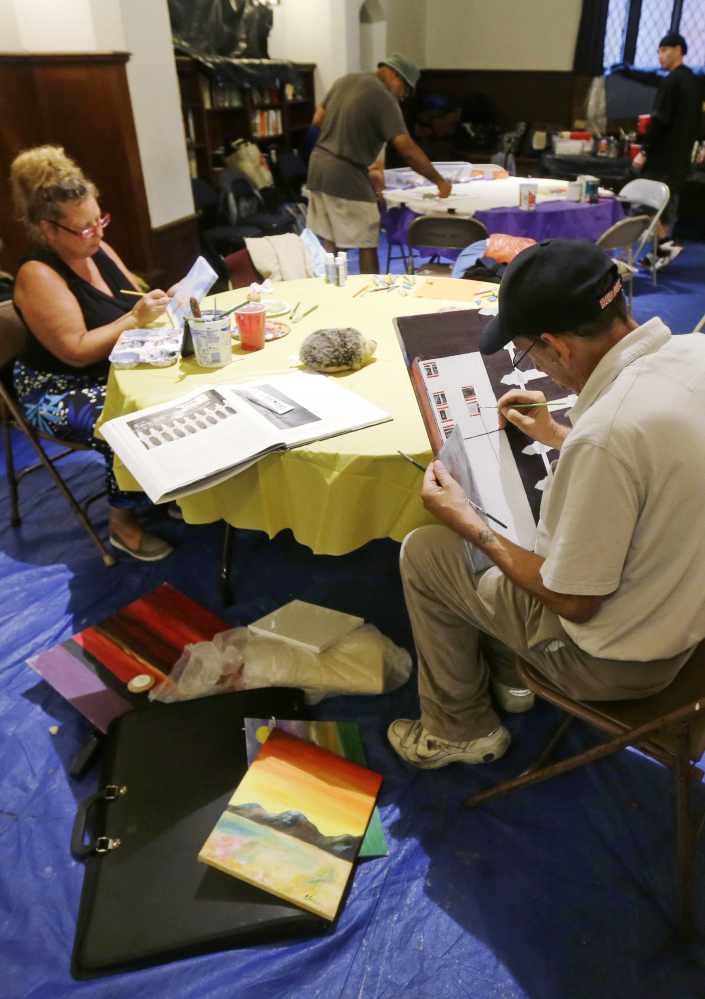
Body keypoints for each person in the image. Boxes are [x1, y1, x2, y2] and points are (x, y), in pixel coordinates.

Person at [388, 238, 705, 768]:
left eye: (528, 351)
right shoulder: (696, 354)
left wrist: (467, 521)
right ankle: (511, 680)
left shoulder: (606, 436)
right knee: (521, 524)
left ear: (558, 347)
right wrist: (557, 434)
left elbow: (576, 602)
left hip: (619, 662)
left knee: (426, 551)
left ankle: (458, 729)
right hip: (687, 615)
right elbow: (668, 460)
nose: (534, 364)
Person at [11, 146, 174, 561]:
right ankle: (122, 523)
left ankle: (168, 485)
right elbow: (78, 353)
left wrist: (161, 303)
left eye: (99, 221)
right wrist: (134, 320)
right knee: (122, 420)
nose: (97, 234)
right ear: (49, 230)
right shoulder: (39, 273)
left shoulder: (93, 247)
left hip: (109, 366)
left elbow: (128, 298)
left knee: (184, 387)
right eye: (84, 229)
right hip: (55, 385)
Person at [306, 53, 452, 274]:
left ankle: (330, 288)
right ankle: (372, 297)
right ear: (395, 74)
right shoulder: (384, 97)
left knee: (329, 238)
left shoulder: (345, 80)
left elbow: (317, 120)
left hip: (317, 167)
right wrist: (439, 181)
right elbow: (407, 150)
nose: (403, 97)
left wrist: (345, 138)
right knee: (367, 240)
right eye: (406, 90)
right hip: (346, 173)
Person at [628, 33, 701, 256]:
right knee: (668, 201)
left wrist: (645, 150)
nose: (660, 56)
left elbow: (660, 120)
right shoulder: (695, 82)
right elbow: (699, 119)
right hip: (683, 153)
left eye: (664, 51)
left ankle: (665, 242)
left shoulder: (671, 81)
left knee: (643, 199)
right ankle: (661, 254)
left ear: (677, 50)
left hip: (663, 153)